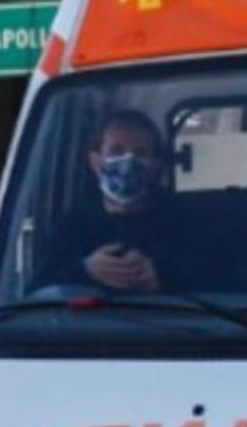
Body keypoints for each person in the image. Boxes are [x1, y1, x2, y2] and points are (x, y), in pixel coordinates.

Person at [36, 109, 180, 292]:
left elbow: (214, 288)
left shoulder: (182, 220)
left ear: (156, 166)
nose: (128, 161)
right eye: (117, 151)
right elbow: (39, 293)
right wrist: (86, 270)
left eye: (140, 152)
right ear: (95, 161)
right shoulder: (74, 225)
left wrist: (161, 278)